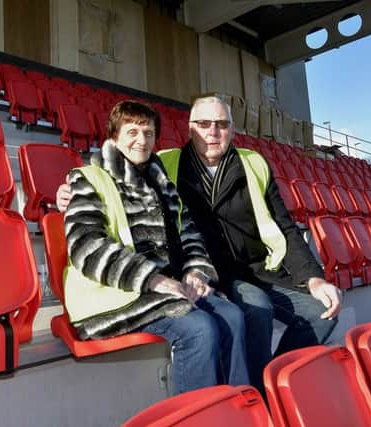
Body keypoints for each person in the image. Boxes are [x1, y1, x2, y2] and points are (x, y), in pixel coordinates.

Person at [58, 96, 341, 393]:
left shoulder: (230, 167)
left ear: (232, 129)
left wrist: (314, 278)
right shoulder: (157, 167)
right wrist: (67, 191)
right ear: (190, 129)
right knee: (225, 321)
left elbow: (195, 232)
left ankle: (258, 392)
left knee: (291, 311)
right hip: (123, 291)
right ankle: (227, 405)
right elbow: (87, 239)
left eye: (221, 125)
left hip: (246, 270)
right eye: (204, 124)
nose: (213, 132)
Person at [63, 100, 249, 395]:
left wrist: (196, 272)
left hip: (164, 288)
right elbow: (85, 246)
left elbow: (188, 232)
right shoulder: (88, 179)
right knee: (200, 329)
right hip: (116, 294)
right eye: (132, 131)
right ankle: (198, 417)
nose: (142, 139)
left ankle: (236, 405)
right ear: (114, 136)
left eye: (149, 133)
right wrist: (152, 278)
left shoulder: (162, 183)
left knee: (234, 316)